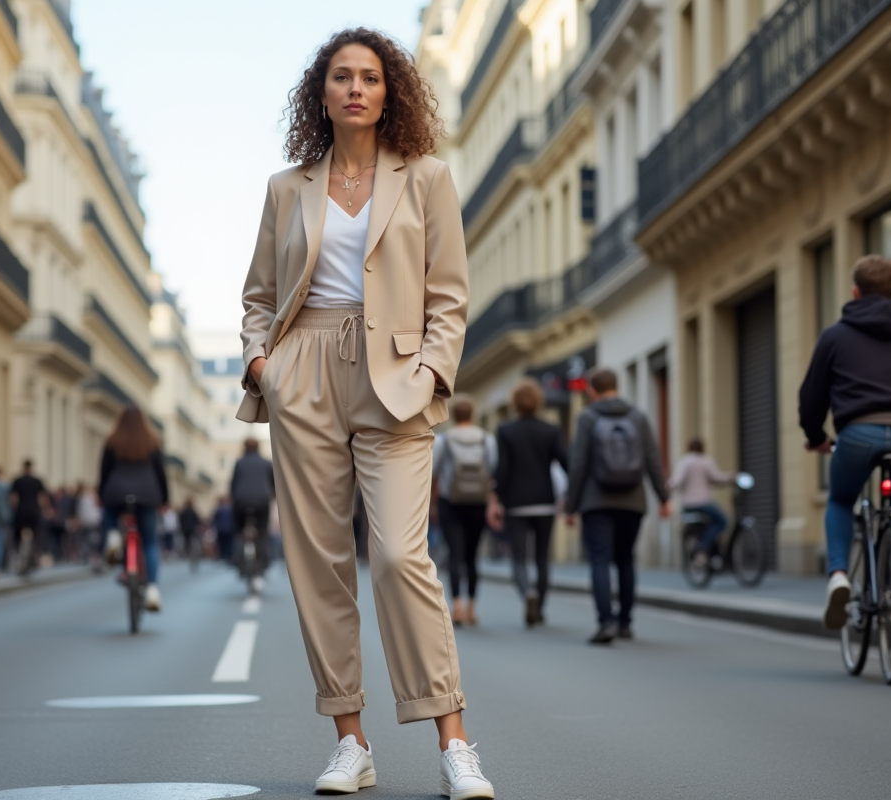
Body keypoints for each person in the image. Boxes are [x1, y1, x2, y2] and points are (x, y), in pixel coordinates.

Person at [237, 28, 492, 798]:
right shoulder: (289, 188)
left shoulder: (427, 178)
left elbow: (449, 294)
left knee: (398, 557)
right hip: (304, 368)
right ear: (321, 94)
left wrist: (429, 374)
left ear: (390, 93)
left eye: (371, 77)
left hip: (396, 377)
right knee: (319, 563)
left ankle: (454, 740)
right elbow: (258, 295)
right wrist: (264, 364)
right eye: (342, 77)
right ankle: (350, 740)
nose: (356, 88)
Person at [799, 255, 891, 630]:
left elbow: (811, 398)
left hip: (857, 435)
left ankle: (838, 576)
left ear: (855, 292)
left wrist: (816, 438)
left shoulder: (834, 336)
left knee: (839, 500)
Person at [565, 368, 670, 645]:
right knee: (625, 559)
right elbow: (653, 459)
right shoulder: (638, 416)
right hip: (633, 500)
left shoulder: (587, 417)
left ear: (591, 391)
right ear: (616, 386)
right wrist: (664, 498)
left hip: (595, 501)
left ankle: (606, 623)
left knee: (600, 559)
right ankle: (625, 623)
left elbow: (578, 464)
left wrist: (570, 505)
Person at [488, 379, 568, 628]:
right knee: (543, 558)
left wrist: (495, 498)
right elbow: (566, 464)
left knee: (520, 558)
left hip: (516, 504)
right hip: (545, 501)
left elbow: (502, 469)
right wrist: (570, 498)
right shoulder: (551, 430)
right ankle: (540, 608)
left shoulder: (506, 430)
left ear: (514, 403)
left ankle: (527, 594)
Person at [432, 397, 496, 627]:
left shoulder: (444, 440)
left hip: (451, 503)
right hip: (478, 503)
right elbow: (492, 469)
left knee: (455, 555)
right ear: (473, 414)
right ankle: (471, 609)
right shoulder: (486, 439)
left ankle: (456, 605)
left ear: (453, 414)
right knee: (472, 557)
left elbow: (433, 471)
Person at [99, 405, 168, 612]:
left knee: (110, 514)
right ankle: (153, 590)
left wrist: (101, 495)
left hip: (117, 492)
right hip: (147, 494)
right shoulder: (152, 441)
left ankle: (112, 537)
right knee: (149, 543)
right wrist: (164, 500)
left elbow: (104, 472)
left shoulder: (112, 441)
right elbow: (160, 474)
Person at [669, 437, 734, 568]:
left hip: (688, 506)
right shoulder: (706, 461)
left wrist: (667, 487)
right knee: (722, 521)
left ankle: (703, 546)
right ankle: (703, 547)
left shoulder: (685, 461)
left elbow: (677, 481)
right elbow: (717, 478)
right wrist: (731, 477)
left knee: (709, 523)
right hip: (703, 504)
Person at [229, 438, 274, 585]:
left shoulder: (239, 463)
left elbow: (233, 485)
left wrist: (234, 498)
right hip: (262, 502)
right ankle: (262, 561)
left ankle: (238, 558)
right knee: (261, 532)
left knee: (239, 530)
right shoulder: (266, 463)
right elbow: (273, 485)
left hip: (241, 502)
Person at [9, 460, 49, 572]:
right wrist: (45, 509)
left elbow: (13, 497)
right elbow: (43, 496)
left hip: (21, 512)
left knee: (17, 536)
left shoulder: (18, 480)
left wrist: (14, 508)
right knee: (36, 536)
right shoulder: (37, 481)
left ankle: (18, 555)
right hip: (34, 512)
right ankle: (34, 556)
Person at [211, 496, 237, 564]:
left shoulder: (219, 509)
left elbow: (214, 519)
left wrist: (214, 526)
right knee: (228, 544)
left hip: (221, 529)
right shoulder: (232, 509)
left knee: (222, 543)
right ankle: (228, 556)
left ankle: (222, 556)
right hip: (229, 529)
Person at [179, 498, 201, 562]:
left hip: (185, 529)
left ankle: (187, 551)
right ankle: (193, 551)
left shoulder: (183, 511)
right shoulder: (193, 511)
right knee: (193, 540)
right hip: (192, 528)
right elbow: (197, 520)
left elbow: (181, 519)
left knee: (186, 541)